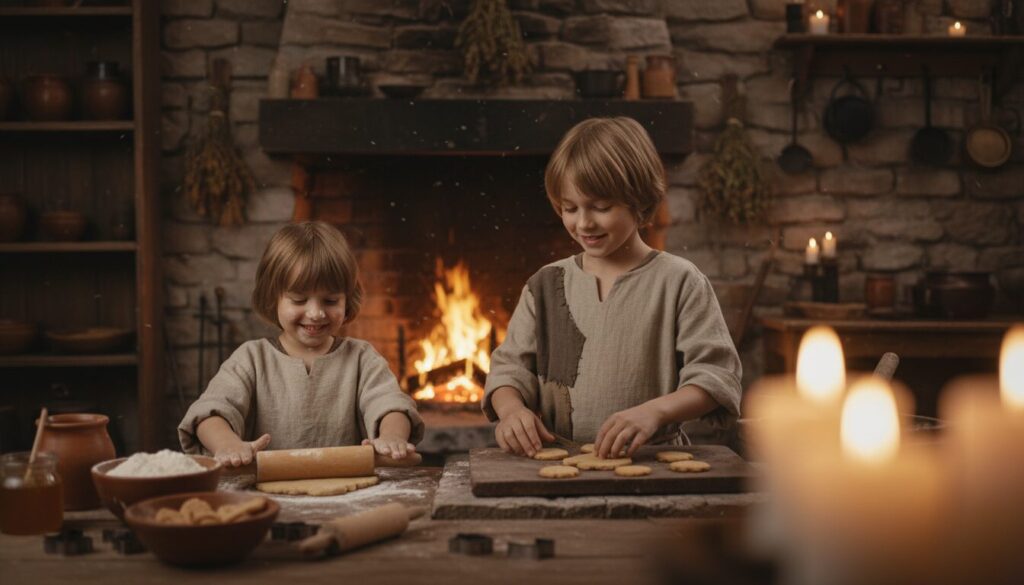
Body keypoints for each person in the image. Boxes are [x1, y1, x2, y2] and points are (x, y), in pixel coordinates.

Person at [482, 117, 742, 460]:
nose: (584, 223)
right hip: (559, 461)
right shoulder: (545, 285)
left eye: (602, 207)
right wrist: (511, 411)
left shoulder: (680, 281)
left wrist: (655, 412)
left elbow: (716, 377)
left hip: (653, 462)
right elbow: (508, 371)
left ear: (641, 201)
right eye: (569, 208)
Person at [178, 221, 422, 466]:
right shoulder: (251, 358)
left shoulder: (361, 358)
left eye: (329, 300)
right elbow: (211, 411)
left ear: (347, 300)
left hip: (346, 495)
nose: (316, 313)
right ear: (273, 298)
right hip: (265, 493)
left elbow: (390, 404)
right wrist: (227, 444)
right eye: (298, 300)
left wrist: (391, 436)